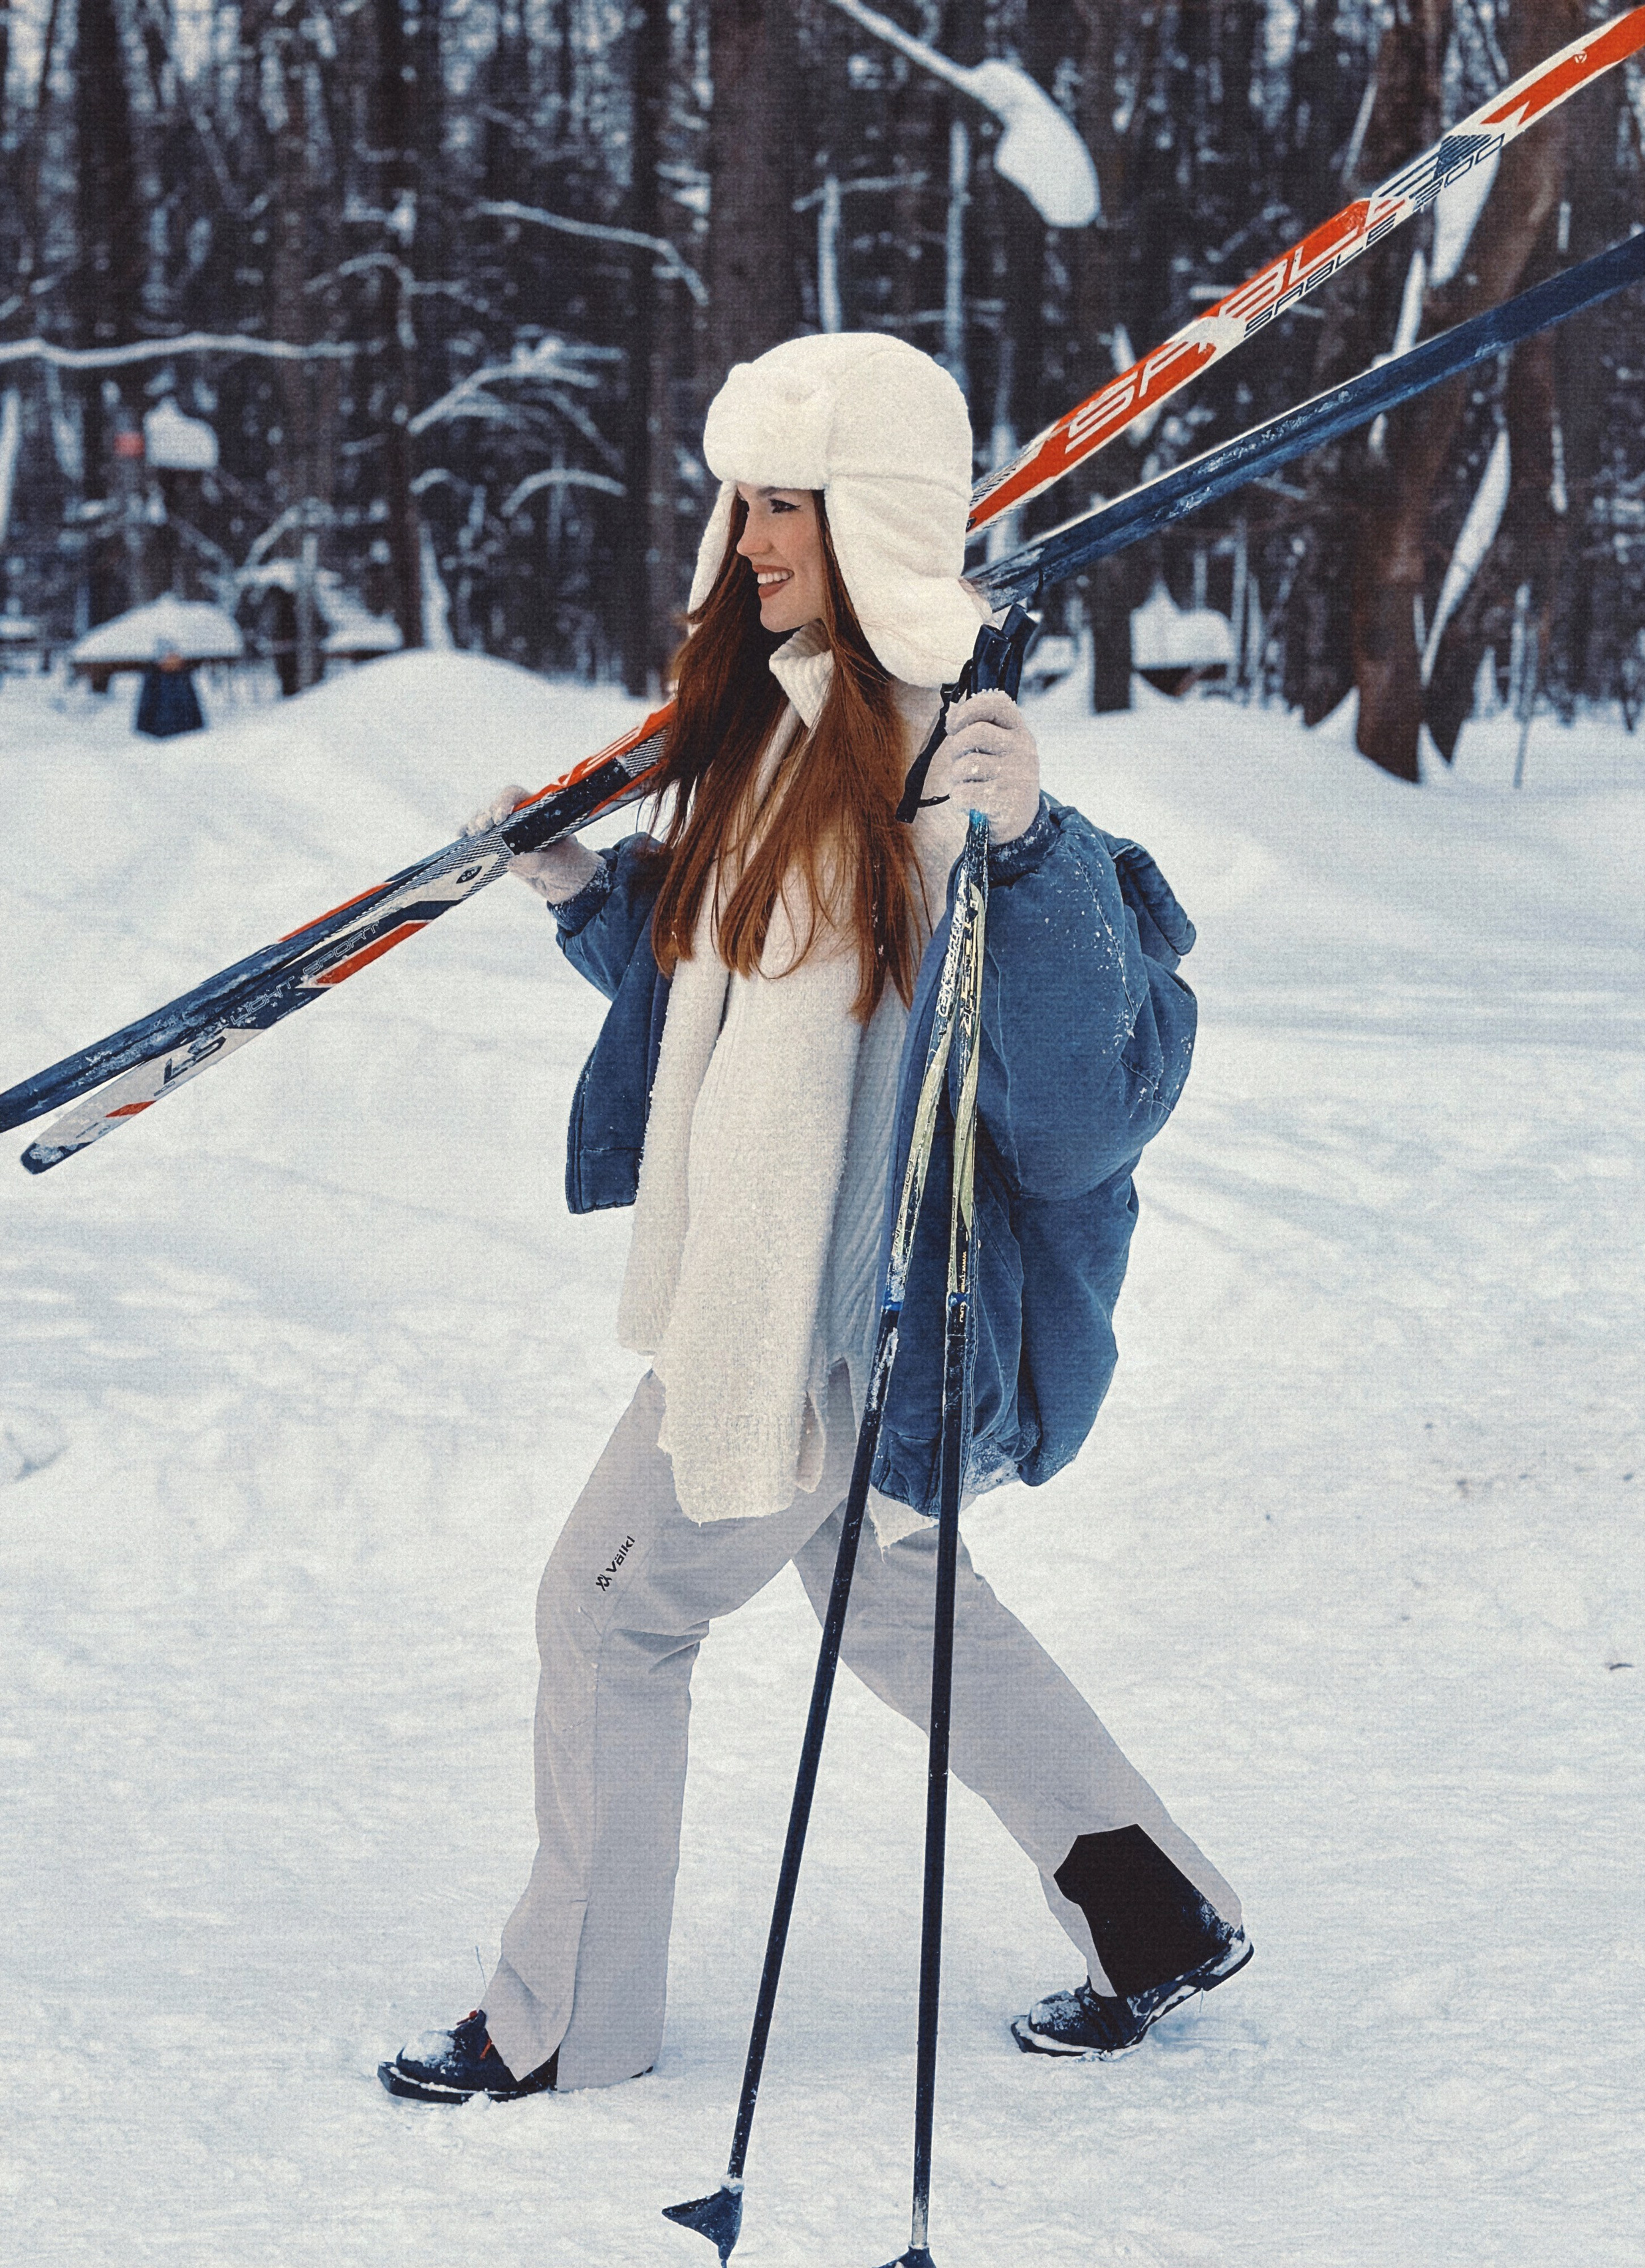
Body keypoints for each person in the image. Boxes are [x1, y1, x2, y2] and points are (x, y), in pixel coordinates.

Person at [379, 334, 1248, 2105]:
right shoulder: (795, 737)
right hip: (812, 1308)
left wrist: (1036, 854)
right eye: (746, 504)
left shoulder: (953, 782)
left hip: (825, 1322)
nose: (751, 540)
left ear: (868, 525)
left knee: (611, 1616)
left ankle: (566, 2026)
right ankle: (1153, 1910)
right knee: (901, 1600)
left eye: (787, 508)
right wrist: (582, 889)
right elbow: (744, 1000)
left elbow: (1082, 1113)